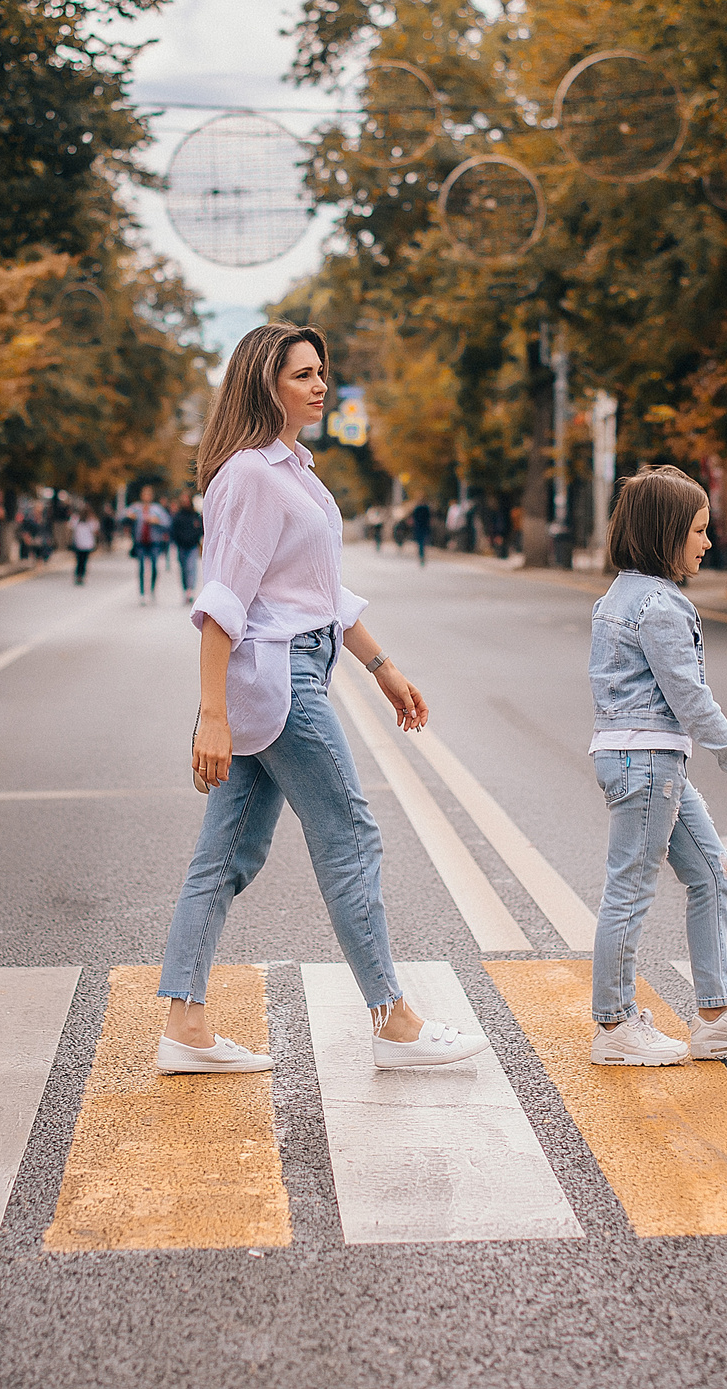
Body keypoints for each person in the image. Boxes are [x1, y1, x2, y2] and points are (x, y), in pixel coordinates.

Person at [161, 323, 489, 1076]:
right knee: (351, 834)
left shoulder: (296, 471)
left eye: (320, 372)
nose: (319, 384)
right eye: (302, 374)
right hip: (280, 679)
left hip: (290, 669)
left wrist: (382, 664)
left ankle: (184, 1022)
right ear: (264, 384)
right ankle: (394, 1020)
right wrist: (211, 714)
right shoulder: (249, 474)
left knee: (228, 852)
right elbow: (221, 603)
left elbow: (318, 589)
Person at [584, 466, 727, 1067]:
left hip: (646, 760)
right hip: (648, 763)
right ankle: (615, 1025)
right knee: (629, 890)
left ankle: (717, 1016)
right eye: (697, 531)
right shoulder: (660, 605)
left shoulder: (620, 594)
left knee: (713, 872)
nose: (706, 542)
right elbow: (690, 697)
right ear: (665, 533)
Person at [128, 483, 171, 603]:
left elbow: (167, 522)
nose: (146, 496)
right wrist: (129, 516)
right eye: (144, 494)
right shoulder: (136, 508)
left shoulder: (157, 509)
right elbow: (122, 516)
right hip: (140, 542)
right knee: (141, 567)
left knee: (154, 567)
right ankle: (142, 592)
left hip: (154, 542)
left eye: (148, 494)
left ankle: (152, 590)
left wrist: (157, 521)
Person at [170, 491, 204, 604]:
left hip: (192, 546)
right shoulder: (178, 516)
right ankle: (186, 589)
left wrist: (195, 538)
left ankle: (190, 590)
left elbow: (200, 529)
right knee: (183, 569)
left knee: (191, 568)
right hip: (181, 546)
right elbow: (173, 530)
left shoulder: (195, 515)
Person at [69, 502, 98, 584]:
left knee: (79, 560)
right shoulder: (91, 520)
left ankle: (79, 575)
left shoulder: (77, 519)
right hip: (86, 544)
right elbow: (95, 530)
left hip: (80, 543)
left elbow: (71, 528)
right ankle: (81, 575)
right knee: (83, 561)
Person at [408, 499, 433, 568]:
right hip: (424, 527)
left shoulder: (417, 509)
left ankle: (421, 554)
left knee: (420, 542)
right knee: (423, 542)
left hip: (418, 527)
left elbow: (413, 518)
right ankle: (422, 554)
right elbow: (429, 519)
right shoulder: (426, 509)